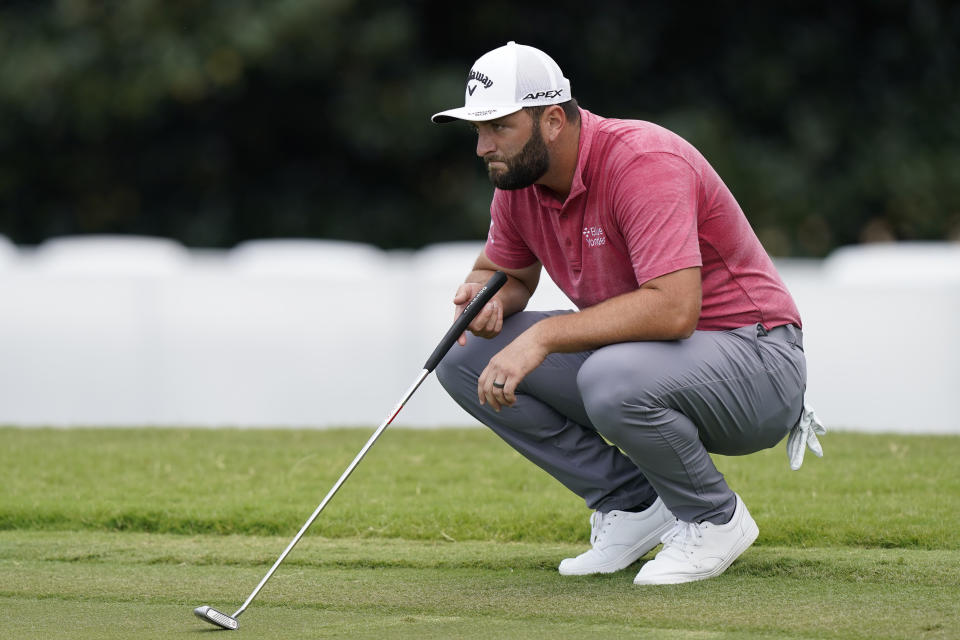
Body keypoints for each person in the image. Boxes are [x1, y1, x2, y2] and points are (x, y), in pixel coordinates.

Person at [430, 41, 825, 585]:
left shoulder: (642, 160)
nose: (482, 147)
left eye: (498, 127)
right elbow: (507, 275)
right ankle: (633, 505)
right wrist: (485, 297)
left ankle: (715, 518)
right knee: (464, 355)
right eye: (478, 130)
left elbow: (673, 309)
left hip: (759, 363)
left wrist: (544, 336)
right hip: (647, 362)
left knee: (609, 376)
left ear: (550, 121)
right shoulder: (519, 184)